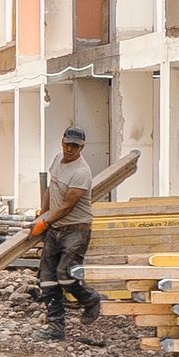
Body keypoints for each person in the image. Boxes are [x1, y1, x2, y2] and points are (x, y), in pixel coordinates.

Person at [35, 124, 104, 339]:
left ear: (81, 148)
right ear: (62, 142)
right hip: (56, 228)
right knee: (47, 278)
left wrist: (44, 224)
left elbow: (67, 206)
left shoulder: (81, 172)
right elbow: (51, 189)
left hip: (76, 230)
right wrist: (42, 213)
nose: (70, 149)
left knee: (65, 275)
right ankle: (56, 329)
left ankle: (91, 300)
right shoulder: (57, 160)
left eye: (75, 146)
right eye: (67, 144)